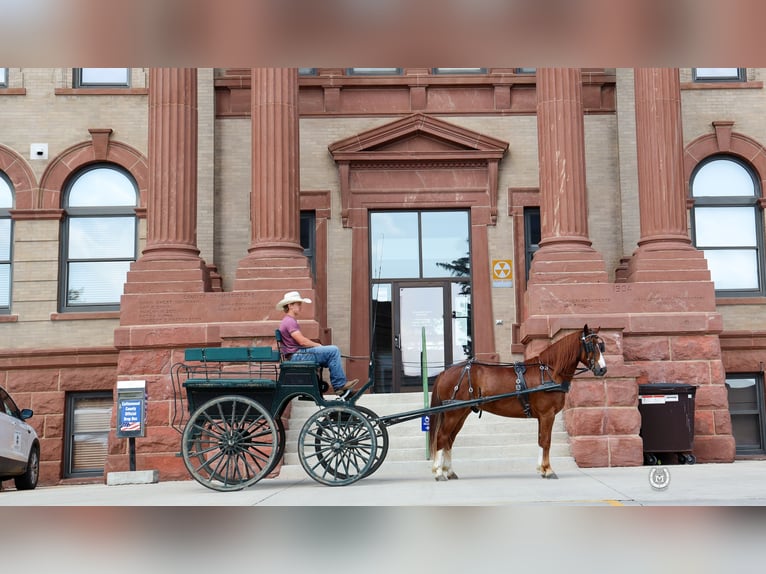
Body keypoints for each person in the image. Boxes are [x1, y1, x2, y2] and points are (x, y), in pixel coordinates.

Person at [276, 291, 358, 396]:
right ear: (290, 305)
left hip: (296, 355)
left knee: (330, 352)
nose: (300, 307)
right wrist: (318, 346)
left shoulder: (288, 321)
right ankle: (339, 385)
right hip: (297, 356)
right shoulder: (289, 321)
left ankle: (343, 390)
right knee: (333, 350)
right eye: (298, 304)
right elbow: (302, 341)